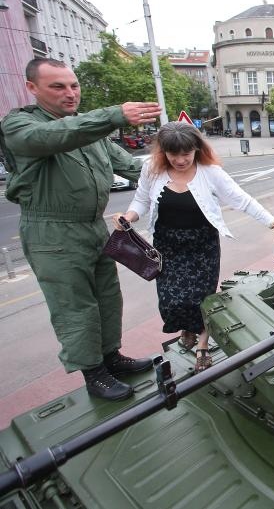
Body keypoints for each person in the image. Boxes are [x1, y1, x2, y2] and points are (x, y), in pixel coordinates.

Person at [0, 58, 159, 401]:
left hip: (93, 227)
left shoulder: (87, 129)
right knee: (75, 306)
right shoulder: (21, 124)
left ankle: (110, 357)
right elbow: (52, 137)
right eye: (58, 87)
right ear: (32, 88)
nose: (70, 93)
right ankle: (93, 372)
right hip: (53, 232)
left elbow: (131, 167)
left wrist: (183, 176)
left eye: (73, 85)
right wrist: (113, 115)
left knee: (107, 298)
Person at [114, 122, 274, 372]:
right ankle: (188, 330)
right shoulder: (151, 169)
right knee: (171, 301)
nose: (180, 160)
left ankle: (202, 345)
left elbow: (243, 200)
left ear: (196, 149)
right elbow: (141, 200)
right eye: (173, 154)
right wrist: (129, 216)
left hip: (202, 245)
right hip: (167, 245)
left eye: (186, 153)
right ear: (163, 152)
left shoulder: (210, 172)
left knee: (200, 299)